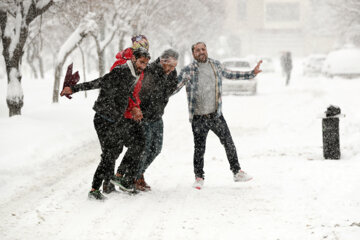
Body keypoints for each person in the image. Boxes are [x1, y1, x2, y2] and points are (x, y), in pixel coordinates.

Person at [60, 48, 151, 200]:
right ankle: (95, 189)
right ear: (133, 59)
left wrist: (134, 106)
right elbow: (100, 82)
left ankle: (117, 177)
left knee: (137, 141)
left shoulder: (135, 73)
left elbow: (125, 91)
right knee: (110, 153)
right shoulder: (120, 71)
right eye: (141, 62)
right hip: (103, 117)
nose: (143, 66)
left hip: (116, 118)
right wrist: (74, 88)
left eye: (146, 64)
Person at [176, 42, 262, 189]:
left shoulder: (216, 65)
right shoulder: (188, 70)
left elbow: (231, 74)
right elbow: (174, 87)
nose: (201, 52)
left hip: (215, 115)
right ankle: (199, 177)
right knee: (199, 148)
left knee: (228, 142)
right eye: (198, 50)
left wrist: (251, 73)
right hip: (198, 117)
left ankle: (237, 172)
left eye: (203, 49)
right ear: (193, 54)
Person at [116, 49, 179, 191]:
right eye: (168, 65)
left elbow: (169, 91)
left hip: (157, 116)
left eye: (174, 66)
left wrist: (172, 80)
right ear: (162, 60)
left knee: (156, 149)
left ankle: (137, 174)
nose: (170, 69)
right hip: (143, 116)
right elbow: (143, 92)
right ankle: (131, 178)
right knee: (144, 148)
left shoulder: (172, 73)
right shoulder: (149, 70)